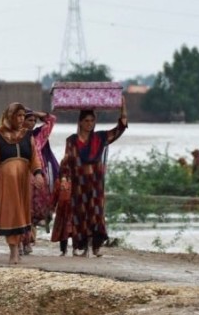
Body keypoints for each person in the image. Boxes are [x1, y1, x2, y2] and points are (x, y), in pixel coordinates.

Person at [61, 100, 128, 258]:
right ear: (80, 122)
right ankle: (81, 246)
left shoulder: (100, 138)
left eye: (92, 121)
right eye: (86, 121)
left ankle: (96, 246)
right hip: (79, 185)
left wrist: (123, 107)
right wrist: (64, 179)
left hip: (96, 184)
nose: (89, 124)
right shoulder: (71, 141)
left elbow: (120, 128)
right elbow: (67, 161)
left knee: (96, 213)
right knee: (80, 214)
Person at [0, 102, 45, 264]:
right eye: (18, 115)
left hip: (23, 179)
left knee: (22, 212)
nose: (21, 119)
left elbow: (34, 158)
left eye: (23, 116)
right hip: (6, 180)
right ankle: (13, 250)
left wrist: (38, 173)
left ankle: (19, 247)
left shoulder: (28, 135)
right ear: (10, 116)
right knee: (10, 213)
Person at [20, 108, 58, 255]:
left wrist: (34, 113)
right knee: (23, 209)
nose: (33, 123)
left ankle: (28, 241)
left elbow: (51, 119)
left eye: (34, 121)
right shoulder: (14, 135)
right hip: (21, 174)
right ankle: (24, 242)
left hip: (37, 175)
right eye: (29, 120)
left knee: (34, 211)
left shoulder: (39, 135)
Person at [50, 173, 73, 256]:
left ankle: (75, 249)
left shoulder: (76, 179)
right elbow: (55, 195)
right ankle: (64, 250)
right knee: (63, 230)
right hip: (61, 210)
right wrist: (51, 207)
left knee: (74, 229)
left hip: (73, 209)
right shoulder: (59, 181)